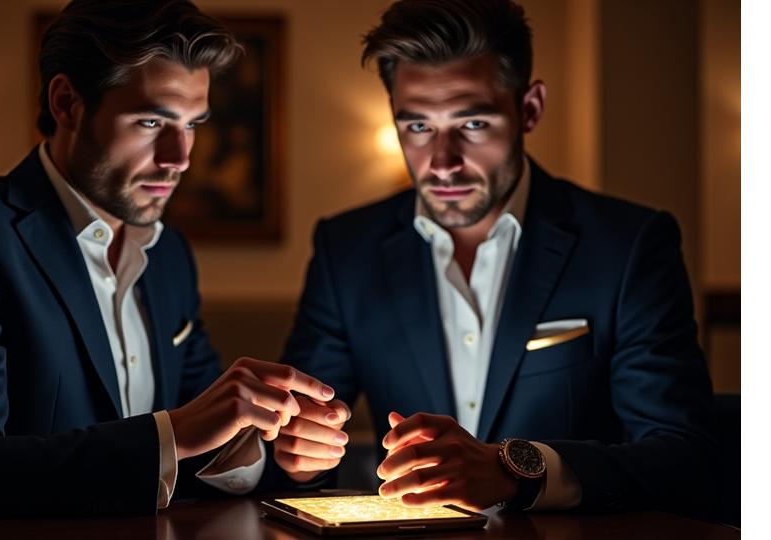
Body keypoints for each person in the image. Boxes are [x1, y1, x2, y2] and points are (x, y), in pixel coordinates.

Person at [0, 0, 339, 534]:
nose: (180, 156)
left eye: (193, 123)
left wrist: (278, 451)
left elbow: (200, 445)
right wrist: (174, 433)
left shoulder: (170, 257)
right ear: (67, 103)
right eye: (151, 121)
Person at [275, 0, 716, 517]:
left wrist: (516, 470)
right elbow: (301, 429)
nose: (442, 162)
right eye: (417, 127)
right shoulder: (345, 249)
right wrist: (301, 455)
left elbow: (684, 456)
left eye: (473, 123)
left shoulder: (630, 243)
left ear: (529, 108)